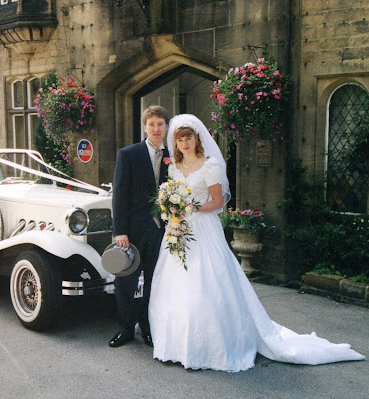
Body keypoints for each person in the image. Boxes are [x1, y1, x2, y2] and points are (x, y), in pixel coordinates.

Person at [148, 114, 365, 371]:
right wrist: (173, 211)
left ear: (198, 139)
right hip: (179, 230)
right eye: (180, 139)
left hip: (204, 228)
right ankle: (176, 345)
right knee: (176, 284)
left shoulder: (210, 165)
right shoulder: (174, 167)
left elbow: (218, 202)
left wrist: (190, 207)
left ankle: (211, 347)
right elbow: (171, 195)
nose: (184, 143)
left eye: (189, 138)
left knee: (207, 283)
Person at [109, 105, 170, 348]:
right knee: (126, 281)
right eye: (152, 124)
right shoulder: (129, 154)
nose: (156, 129)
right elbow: (119, 194)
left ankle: (147, 327)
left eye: (161, 124)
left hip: (162, 232)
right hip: (131, 231)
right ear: (145, 126)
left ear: (166, 127)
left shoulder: (174, 157)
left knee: (155, 281)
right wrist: (119, 231)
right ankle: (125, 329)